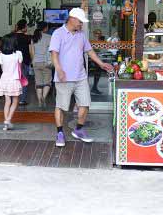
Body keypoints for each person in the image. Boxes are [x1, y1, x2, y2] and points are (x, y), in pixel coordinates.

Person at [49, 8, 114, 147]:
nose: (81, 24)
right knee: (61, 106)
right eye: (80, 21)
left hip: (80, 77)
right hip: (63, 78)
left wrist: (101, 64)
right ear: (72, 18)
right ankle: (60, 133)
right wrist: (59, 69)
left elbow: (89, 51)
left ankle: (78, 129)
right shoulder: (58, 33)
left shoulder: (81, 35)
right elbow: (54, 54)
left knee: (85, 104)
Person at [0, 34, 23, 131]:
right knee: (15, 101)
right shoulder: (18, 54)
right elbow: (19, 67)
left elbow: (2, 69)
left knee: (7, 102)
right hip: (14, 80)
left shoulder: (1, 55)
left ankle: (6, 124)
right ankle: (8, 120)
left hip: (4, 80)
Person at [30, 22, 52, 107]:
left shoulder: (34, 38)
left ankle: (39, 101)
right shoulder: (49, 37)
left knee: (38, 82)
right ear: (45, 28)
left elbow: (32, 52)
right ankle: (44, 97)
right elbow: (51, 50)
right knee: (47, 82)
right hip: (46, 62)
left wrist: (33, 61)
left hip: (36, 62)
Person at [14, 19, 32, 105]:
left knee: (14, 80)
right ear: (24, 27)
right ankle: (22, 100)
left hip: (13, 62)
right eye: (26, 26)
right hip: (25, 61)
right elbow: (30, 50)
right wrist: (31, 60)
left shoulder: (11, 36)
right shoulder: (27, 38)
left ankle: (13, 98)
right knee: (23, 80)